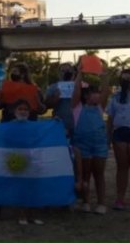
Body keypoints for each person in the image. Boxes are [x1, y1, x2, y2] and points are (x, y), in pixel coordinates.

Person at [71, 64, 109, 215]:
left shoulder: (100, 107)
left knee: (99, 173)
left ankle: (101, 203)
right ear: (86, 95)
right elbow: (76, 90)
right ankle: (85, 202)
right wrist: (79, 74)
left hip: (99, 145)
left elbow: (106, 91)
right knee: (85, 174)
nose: (98, 95)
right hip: (82, 145)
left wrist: (104, 75)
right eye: (95, 93)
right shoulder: (76, 107)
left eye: (98, 93)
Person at [11, 99, 45, 226]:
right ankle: (22, 215)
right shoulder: (9, 125)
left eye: (25, 109)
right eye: (20, 109)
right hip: (17, 161)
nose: (23, 111)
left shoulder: (34, 126)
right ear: (14, 111)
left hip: (32, 160)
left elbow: (42, 136)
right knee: (21, 189)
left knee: (33, 189)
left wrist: (55, 123)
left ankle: (32, 215)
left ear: (29, 112)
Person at [107, 69, 130, 210]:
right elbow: (110, 119)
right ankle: (120, 199)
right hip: (119, 133)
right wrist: (108, 137)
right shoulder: (115, 97)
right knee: (122, 167)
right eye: (124, 78)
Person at [45, 63, 77, 134]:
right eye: (63, 71)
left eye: (68, 70)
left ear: (73, 72)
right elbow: (46, 106)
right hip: (59, 122)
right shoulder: (53, 87)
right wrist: (55, 98)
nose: (66, 72)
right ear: (59, 73)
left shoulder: (80, 86)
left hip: (77, 123)